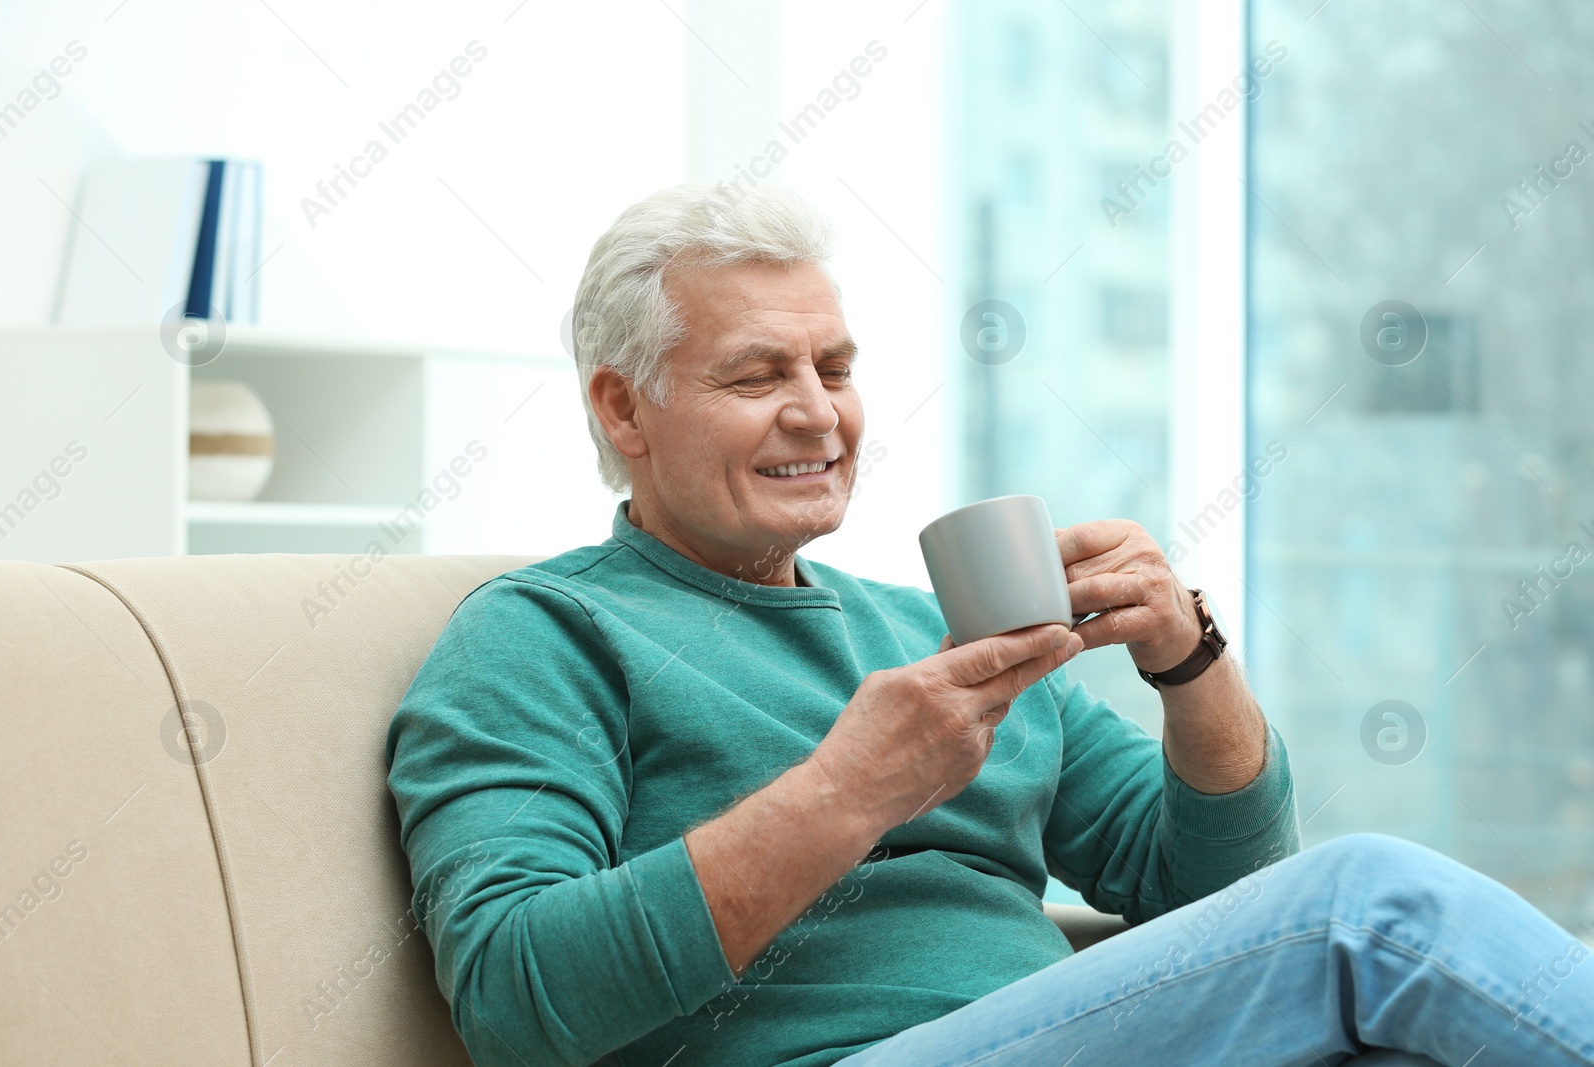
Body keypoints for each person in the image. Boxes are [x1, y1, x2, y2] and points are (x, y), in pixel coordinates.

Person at [384, 183, 1594, 1067]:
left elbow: (1214, 889)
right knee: (1363, 905)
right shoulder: (543, 633)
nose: (819, 414)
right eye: (758, 377)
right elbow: (513, 997)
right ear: (624, 409)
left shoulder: (931, 630)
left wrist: (1189, 659)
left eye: (837, 367)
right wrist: (851, 788)